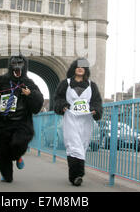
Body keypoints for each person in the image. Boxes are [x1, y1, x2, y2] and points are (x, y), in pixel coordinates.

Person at [0, 54, 44, 183]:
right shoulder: (0, 80)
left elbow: (37, 104)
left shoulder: (29, 83)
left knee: (19, 143)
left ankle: (17, 156)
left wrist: (30, 95)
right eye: (14, 65)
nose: (17, 68)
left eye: (20, 65)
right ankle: (7, 175)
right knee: (2, 152)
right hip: (1, 122)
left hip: (21, 123)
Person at [54, 58, 103, 186]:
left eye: (83, 67)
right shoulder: (65, 83)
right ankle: (77, 175)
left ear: (86, 70)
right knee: (73, 145)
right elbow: (58, 98)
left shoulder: (92, 86)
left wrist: (95, 110)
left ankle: (75, 175)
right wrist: (62, 105)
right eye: (77, 67)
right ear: (74, 69)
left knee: (82, 146)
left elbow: (97, 102)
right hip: (71, 118)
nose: (80, 69)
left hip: (86, 120)